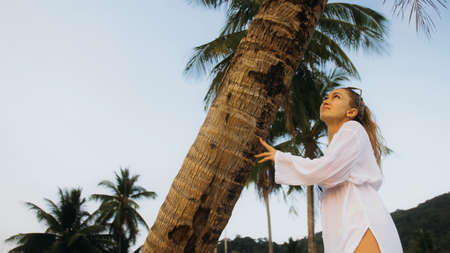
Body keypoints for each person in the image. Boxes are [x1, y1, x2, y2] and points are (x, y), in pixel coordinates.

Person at [254, 87, 403, 253]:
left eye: (336, 97)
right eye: (326, 97)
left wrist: (281, 158)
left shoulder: (352, 129)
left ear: (351, 112)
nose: (326, 100)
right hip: (345, 232)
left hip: (361, 224)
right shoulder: (339, 144)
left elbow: (327, 170)